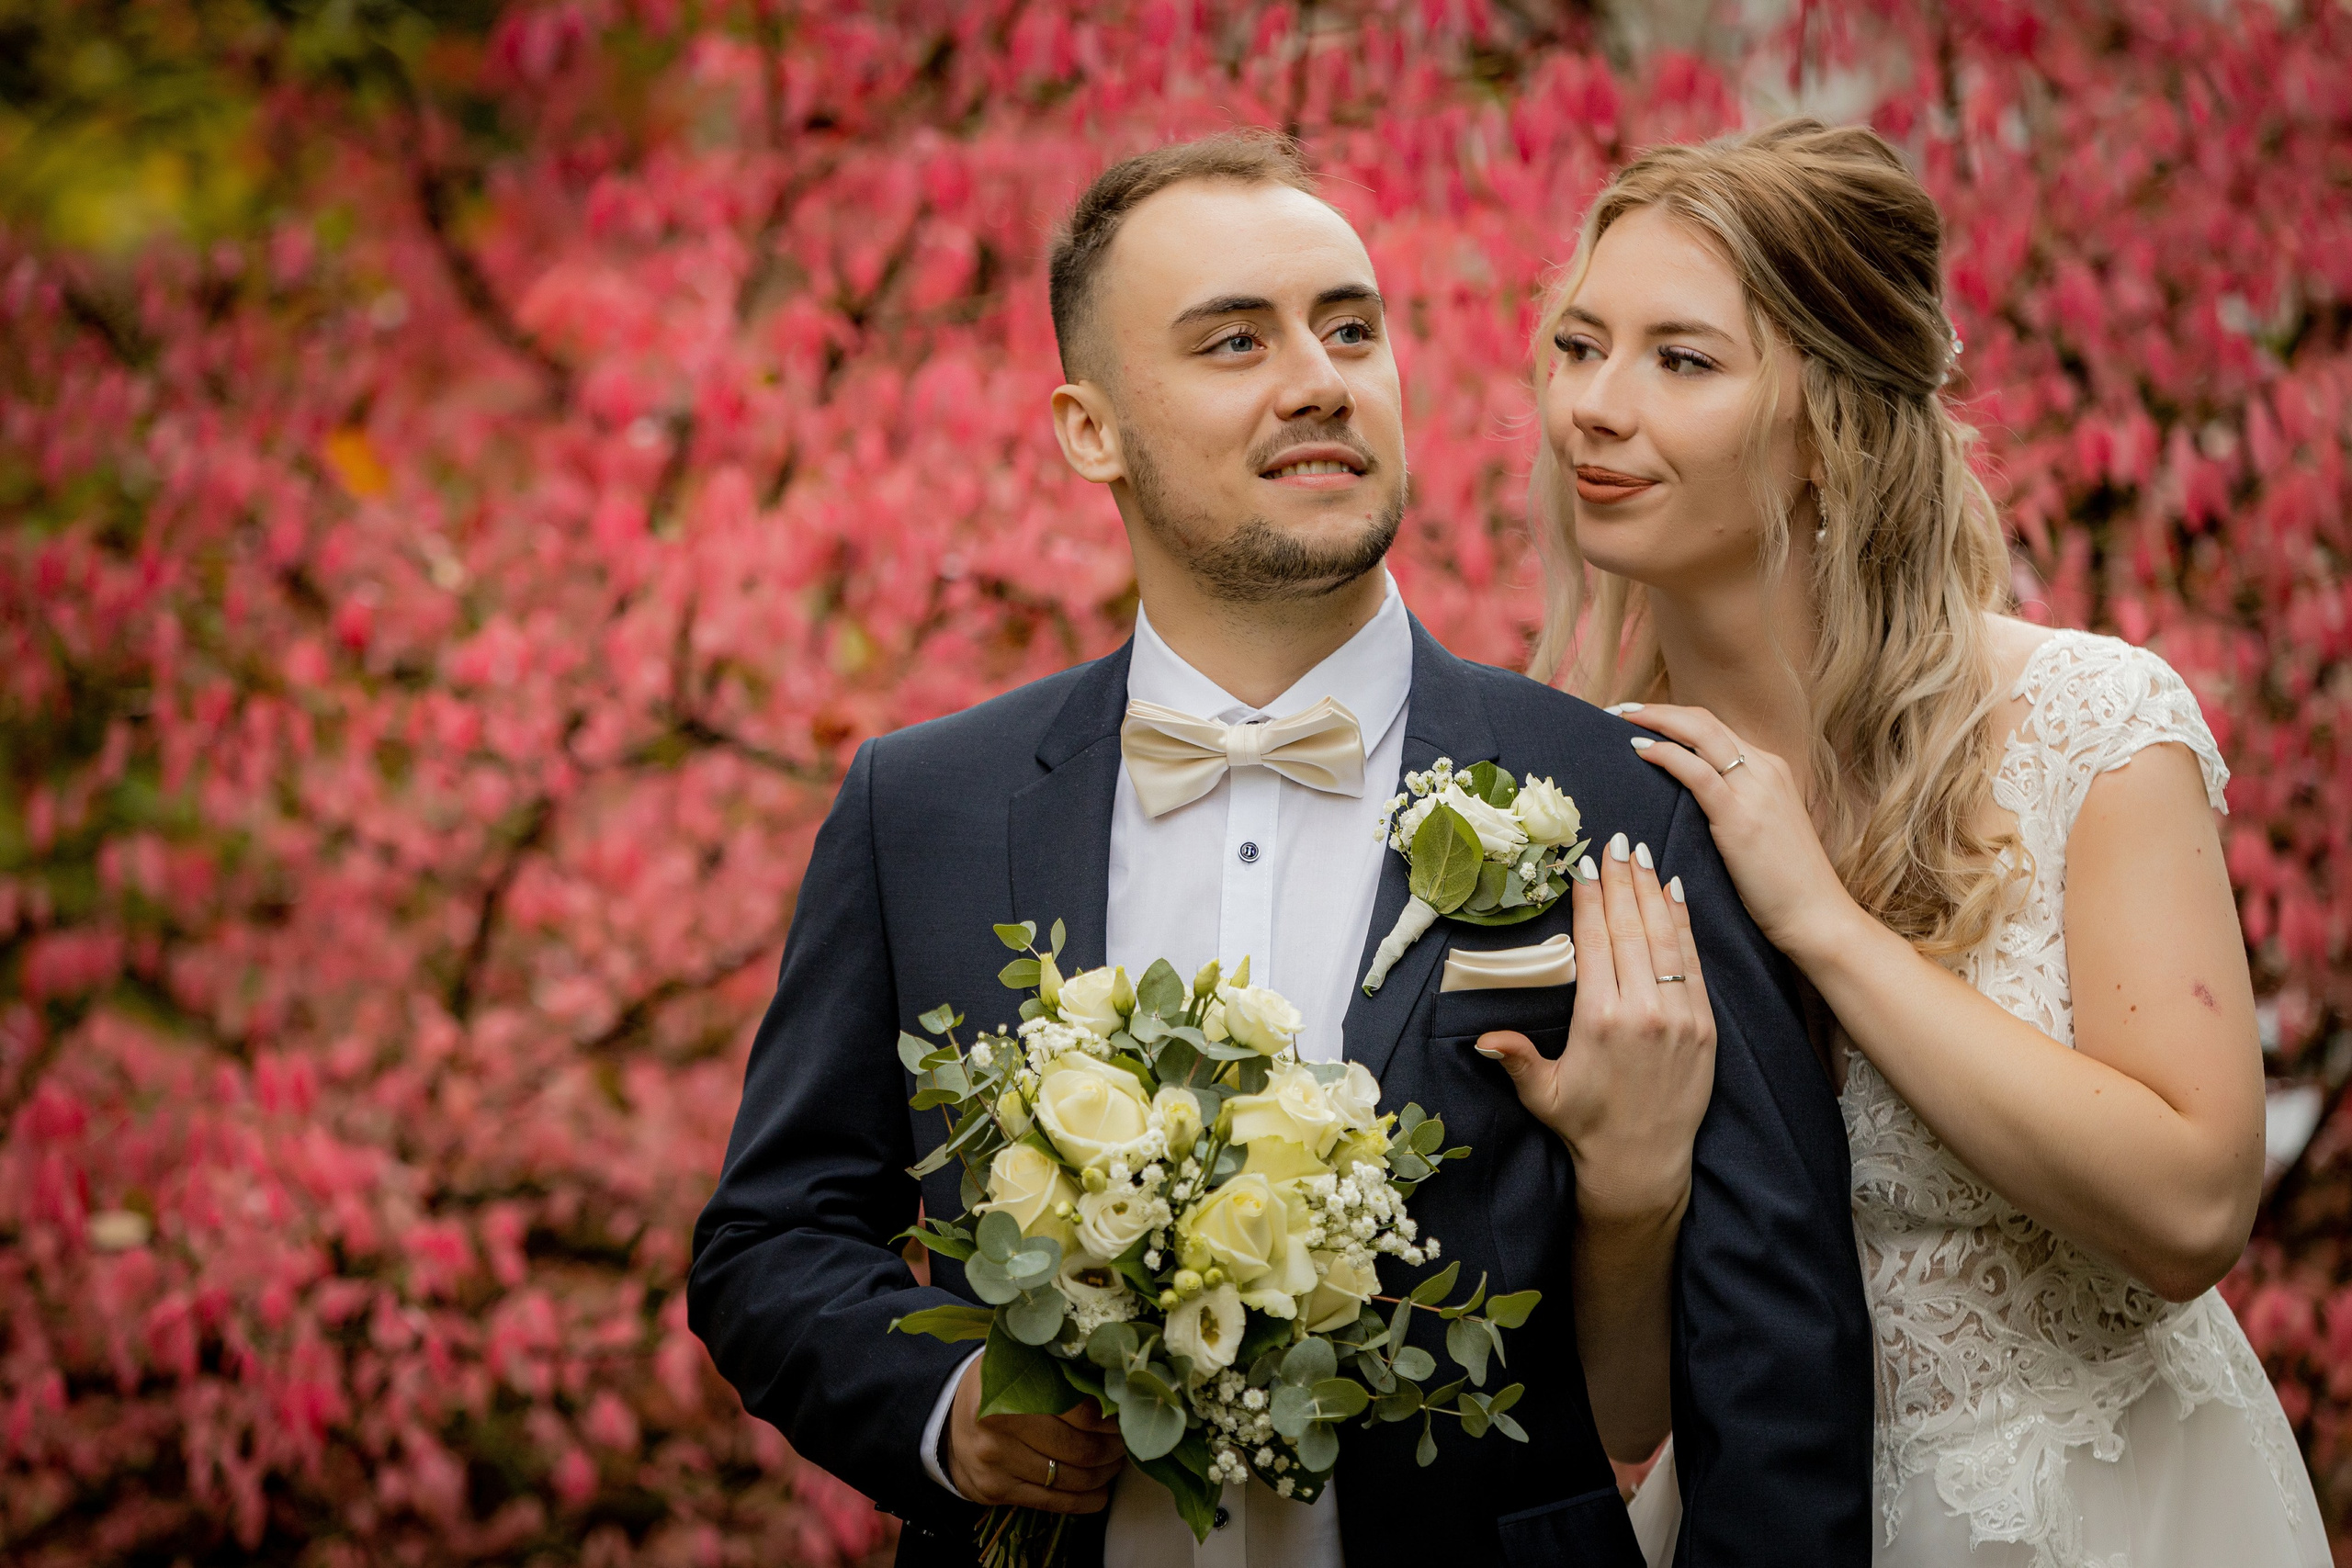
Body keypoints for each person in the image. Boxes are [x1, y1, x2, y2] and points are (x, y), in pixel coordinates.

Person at [690, 130, 1872, 1568]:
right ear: (1090, 432)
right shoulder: (922, 809)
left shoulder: (1624, 798)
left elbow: (1776, 1352)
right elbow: (772, 1241)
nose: (1320, 379)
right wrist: (945, 1410)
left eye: (1350, 329)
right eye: (1235, 341)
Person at [1497, 117, 2329, 1568]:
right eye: (1579, 346)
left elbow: (2195, 1207)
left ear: (1829, 426)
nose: (1595, 409)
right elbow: (1623, 1408)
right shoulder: (1581, 807)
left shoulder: (2090, 725)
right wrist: (1626, 1189)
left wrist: (1820, 922)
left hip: (2123, 1512)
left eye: (1681, 360)